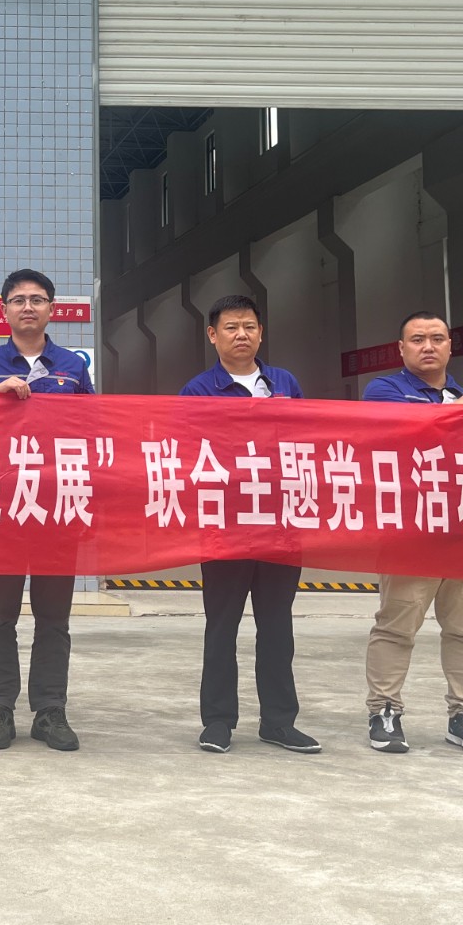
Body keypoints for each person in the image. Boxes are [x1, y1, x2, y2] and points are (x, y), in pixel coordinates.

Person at [361, 311, 463, 756]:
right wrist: (460, 410)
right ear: (401, 348)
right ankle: (384, 712)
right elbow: (408, 431)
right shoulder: (385, 390)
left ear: (451, 346)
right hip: (411, 535)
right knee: (396, 627)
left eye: (437, 338)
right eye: (417, 339)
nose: (428, 346)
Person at [0, 269, 93, 752]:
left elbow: (93, 429)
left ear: (52, 309)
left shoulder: (72, 367)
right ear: (4, 311)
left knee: (54, 616)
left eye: (37, 299)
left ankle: (50, 711)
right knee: (0, 615)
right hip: (3, 509)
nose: (28, 307)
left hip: (58, 508)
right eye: (18, 300)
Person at [180, 295, 320, 755]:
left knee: (277, 627)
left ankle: (278, 722)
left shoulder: (284, 383)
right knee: (222, 626)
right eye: (231, 327)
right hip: (225, 526)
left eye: (249, 326)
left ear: (261, 333)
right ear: (212, 335)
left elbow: (304, 441)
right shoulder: (198, 390)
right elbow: (189, 450)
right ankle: (218, 721)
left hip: (281, 524)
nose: (241, 334)